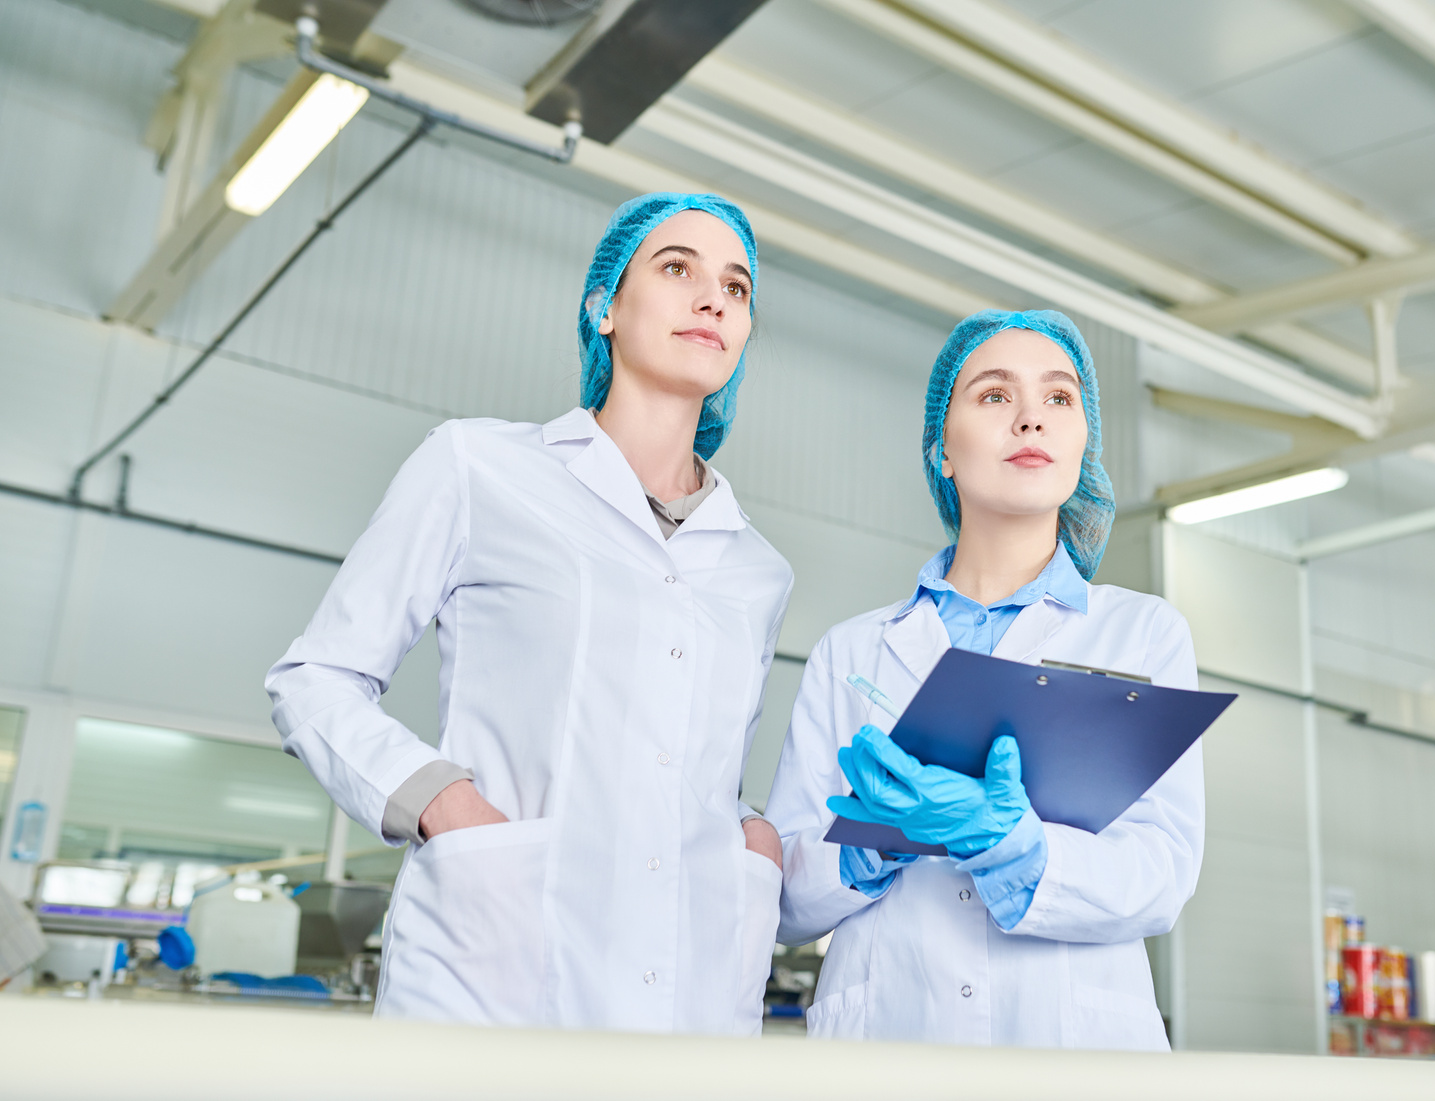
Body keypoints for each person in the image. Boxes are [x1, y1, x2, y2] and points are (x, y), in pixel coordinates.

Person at [266, 192, 792, 1033]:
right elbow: (315, 678)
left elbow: (695, 769)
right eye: (677, 268)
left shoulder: (757, 568)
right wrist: (440, 799)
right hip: (495, 965)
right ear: (605, 308)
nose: (712, 298)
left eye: (736, 287)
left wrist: (753, 841)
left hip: (689, 992)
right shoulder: (478, 467)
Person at [765, 309, 1203, 1049]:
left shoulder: (1143, 634)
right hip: (891, 1040)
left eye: (1059, 398)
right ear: (941, 447)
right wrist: (865, 846)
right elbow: (783, 899)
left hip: (1073, 1049)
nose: (1032, 417)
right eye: (996, 395)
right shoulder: (853, 652)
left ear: (1082, 441)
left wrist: (1019, 846)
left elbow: (1162, 872)